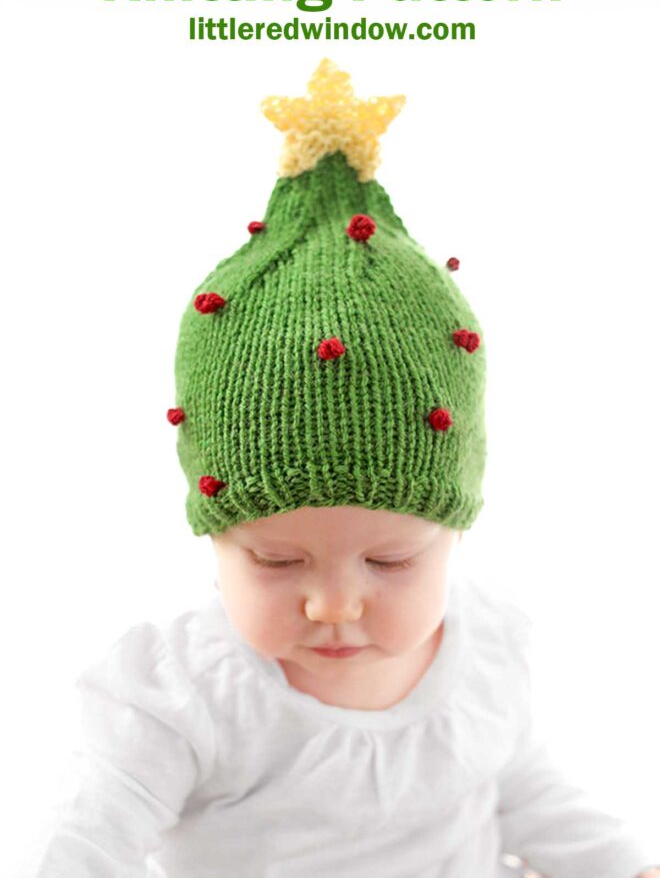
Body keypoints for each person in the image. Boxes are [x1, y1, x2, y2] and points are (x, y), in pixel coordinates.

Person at [21, 61, 659, 877]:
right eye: (275, 560)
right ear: (215, 537)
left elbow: (525, 792)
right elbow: (83, 841)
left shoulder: (487, 647)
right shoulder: (185, 691)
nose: (333, 604)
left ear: (454, 533)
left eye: (390, 561)